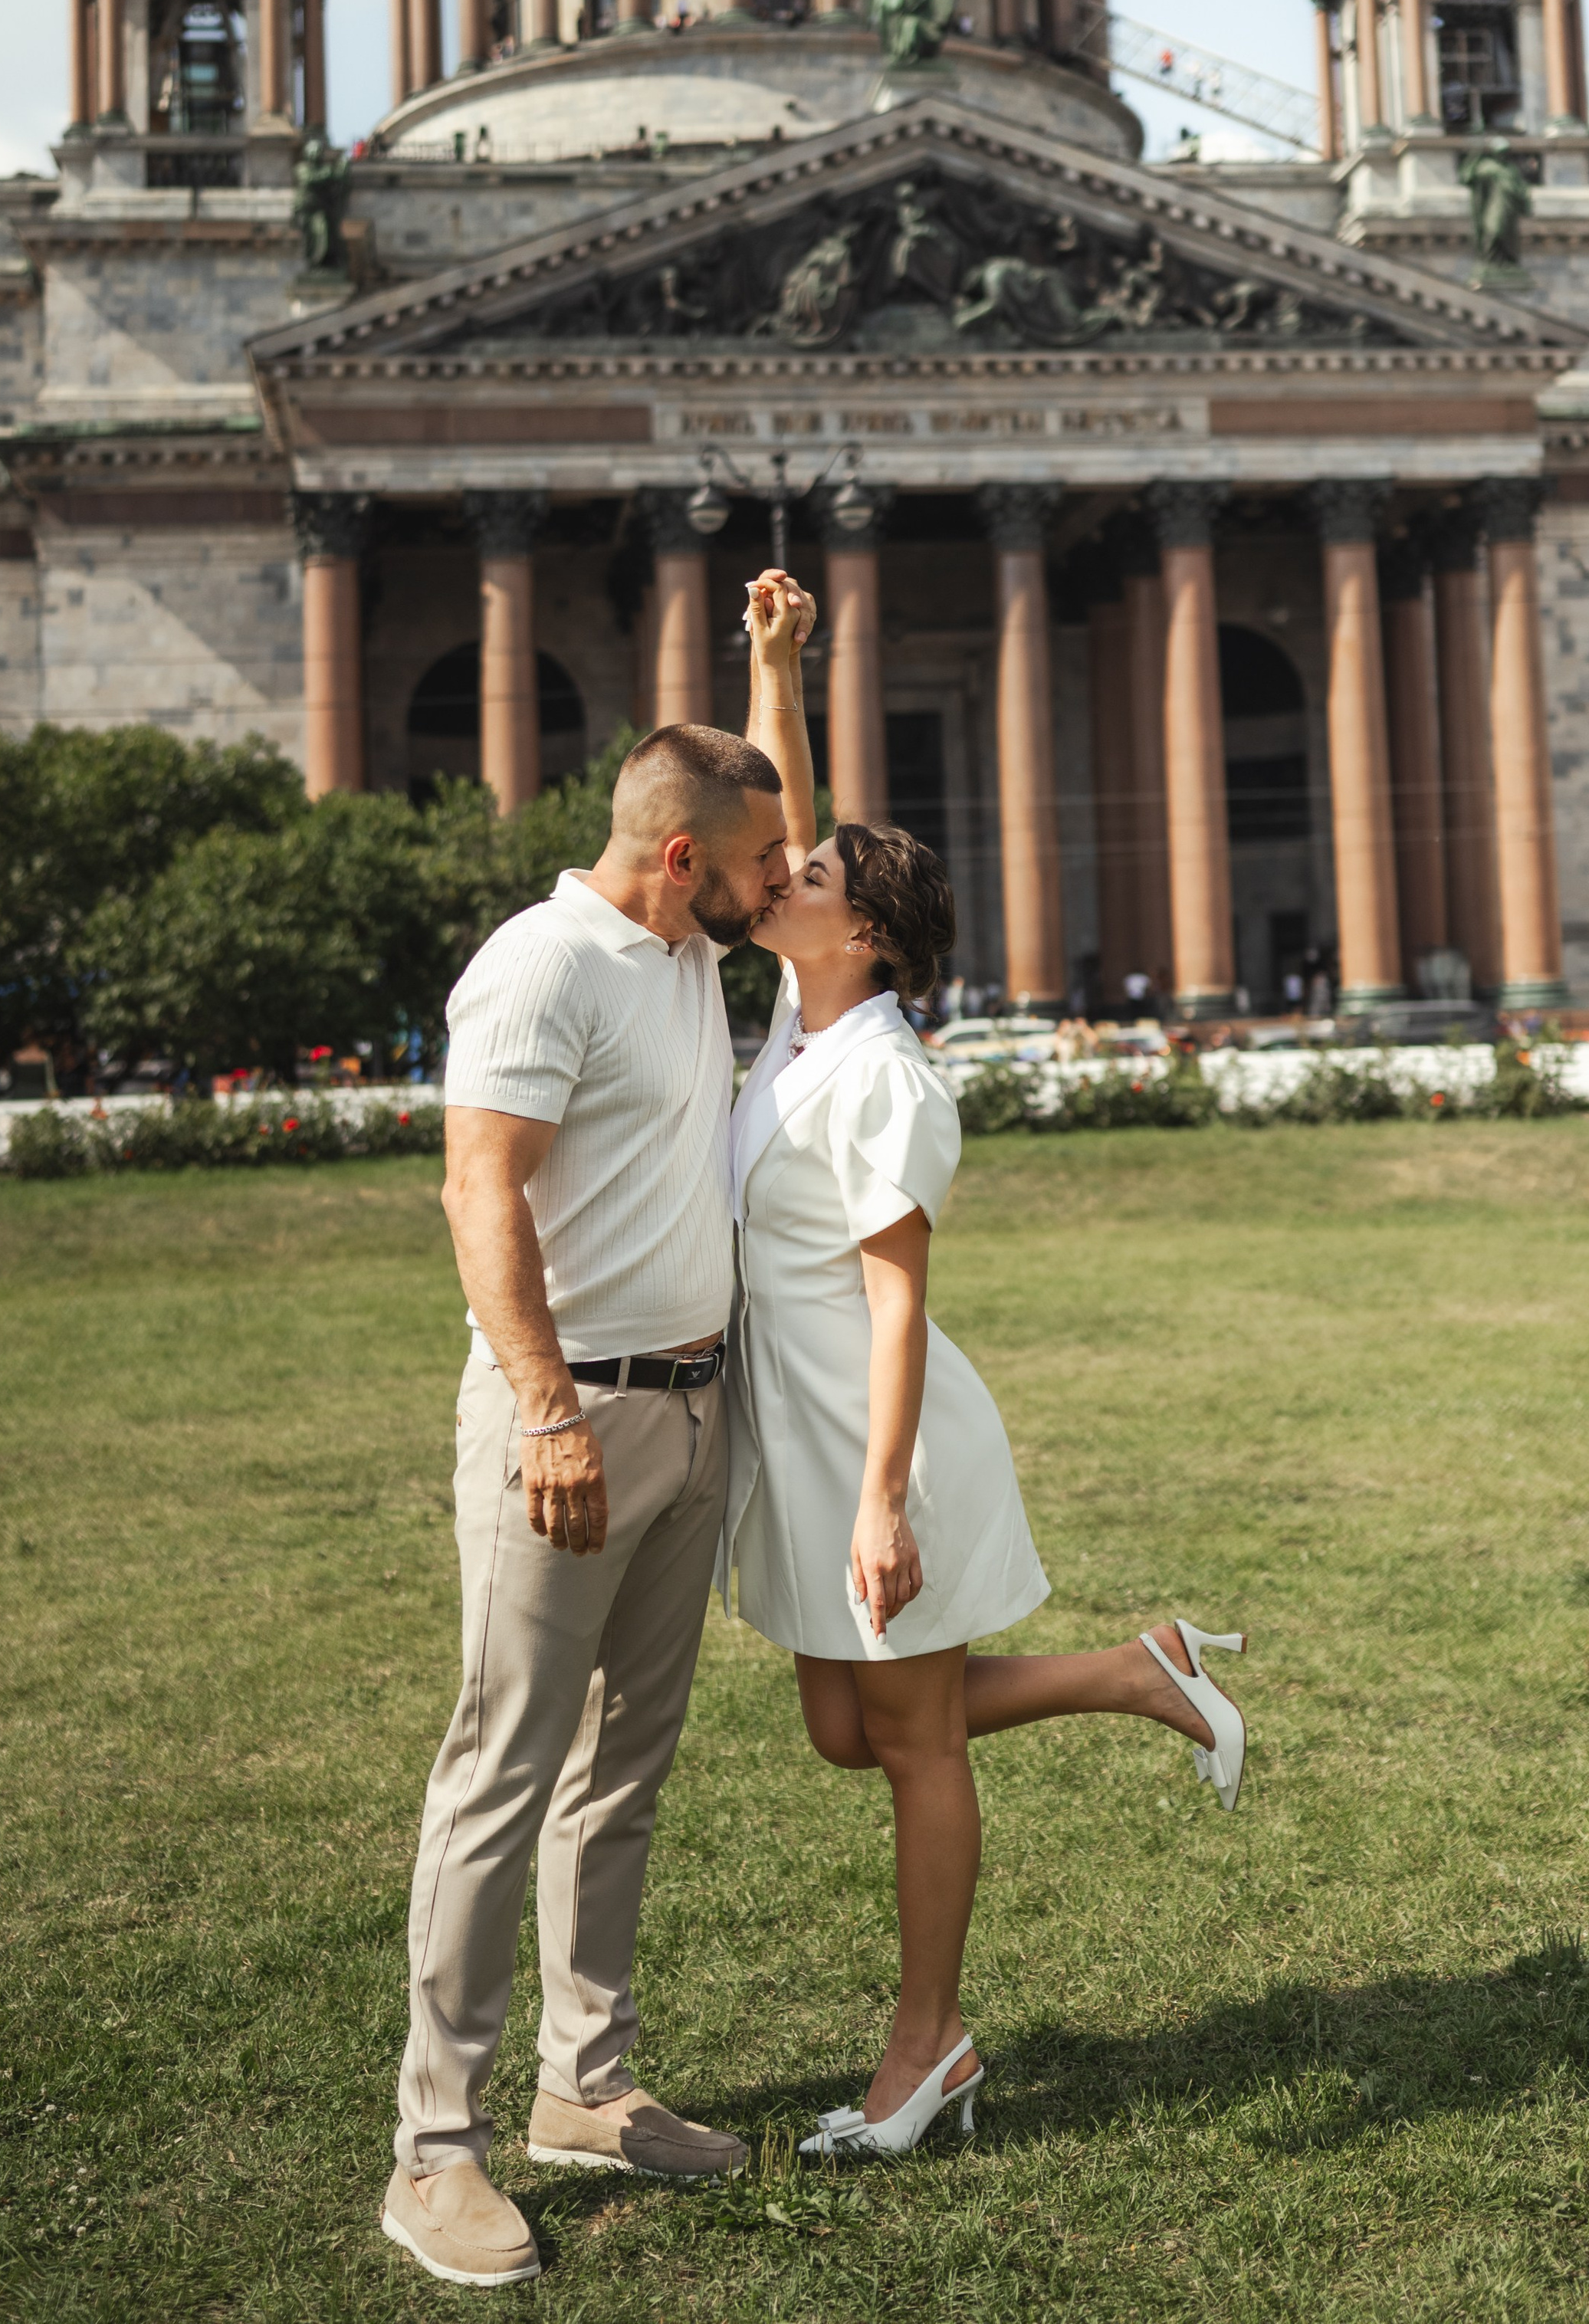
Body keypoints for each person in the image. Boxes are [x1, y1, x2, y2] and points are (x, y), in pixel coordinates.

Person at [717, 599, 1249, 2162]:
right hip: (813, 1442)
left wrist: (882, 1503)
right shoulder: (803, 1029)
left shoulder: (881, 1076)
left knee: (913, 1747)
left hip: (881, 1445)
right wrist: (776, 672)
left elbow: (898, 1306)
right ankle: (1132, 1669)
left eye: (800, 880)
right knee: (846, 1730)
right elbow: (796, 817)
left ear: (860, 930)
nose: (772, 874)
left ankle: (924, 2048)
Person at [381, 678, 816, 2290]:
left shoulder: (692, 950)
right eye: (757, 857)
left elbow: (811, 840)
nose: (782, 879)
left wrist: (780, 683)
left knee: (619, 1776)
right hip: (563, 1431)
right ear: (683, 854)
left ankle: (586, 2086)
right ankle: (435, 2157)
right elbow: (475, 1192)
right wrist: (550, 1415)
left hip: (692, 1417)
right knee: (498, 1776)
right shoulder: (540, 962)